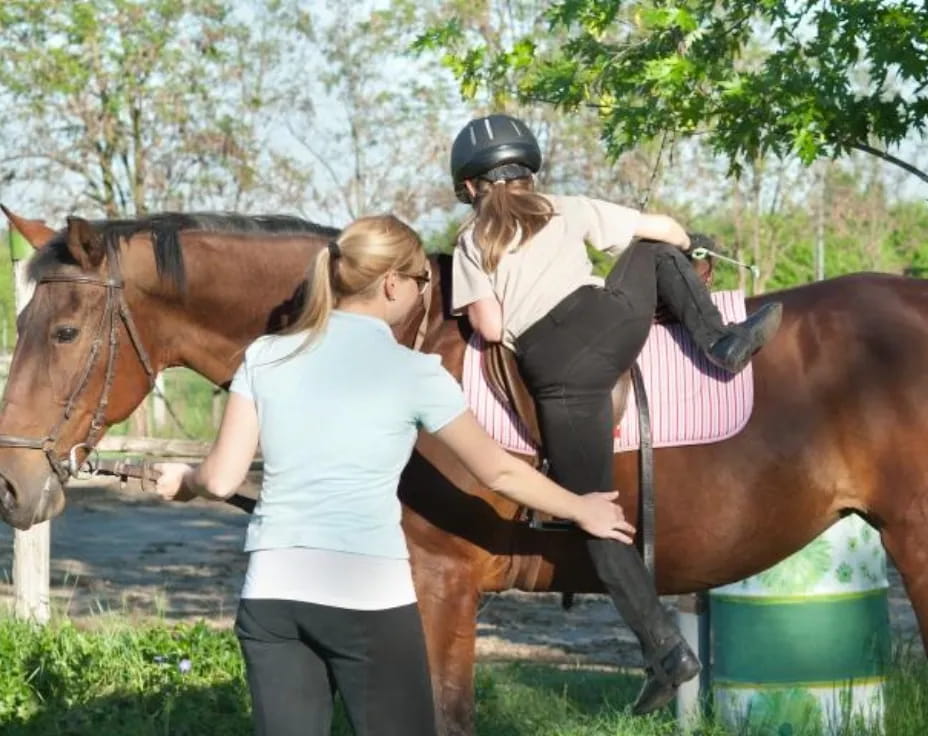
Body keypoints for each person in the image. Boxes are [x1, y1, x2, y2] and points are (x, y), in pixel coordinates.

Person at [154, 214, 634, 736]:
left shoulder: (266, 356)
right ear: (392, 284)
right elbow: (498, 470)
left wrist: (185, 480)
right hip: (367, 597)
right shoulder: (415, 372)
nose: (423, 292)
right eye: (421, 281)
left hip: (273, 595)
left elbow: (221, 479)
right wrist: (581, 506)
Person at [448, 114, 782, 715]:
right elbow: (667, 232)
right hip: (608, 328)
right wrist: (684, 251)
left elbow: (490, 327)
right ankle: (721, 343)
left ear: (470, 188)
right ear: (529, 172)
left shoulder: (471, 243)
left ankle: (665, 653)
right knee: (653, 251)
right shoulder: (562, 206)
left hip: (556, 378)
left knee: (595, 516)